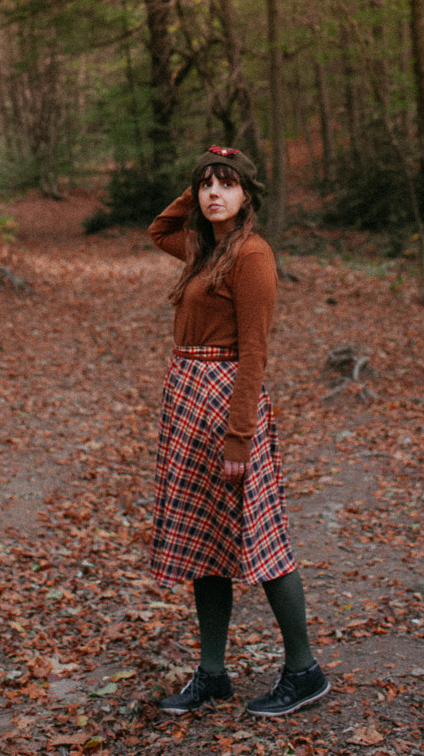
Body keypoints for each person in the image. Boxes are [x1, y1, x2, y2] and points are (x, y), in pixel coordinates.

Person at [147, 145, 330, 718]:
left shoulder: (252, 255)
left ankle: (304, 671)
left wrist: (238, 436)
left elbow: (254, 351)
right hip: (188, 403)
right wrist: (199, 172)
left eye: (227, 184)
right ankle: (212, 674)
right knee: (205, 541)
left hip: (228, 404)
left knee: (263, 539)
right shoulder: (204, 248)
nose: (213, 194)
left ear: (248, 194)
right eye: (205, 186)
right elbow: (159, 230)